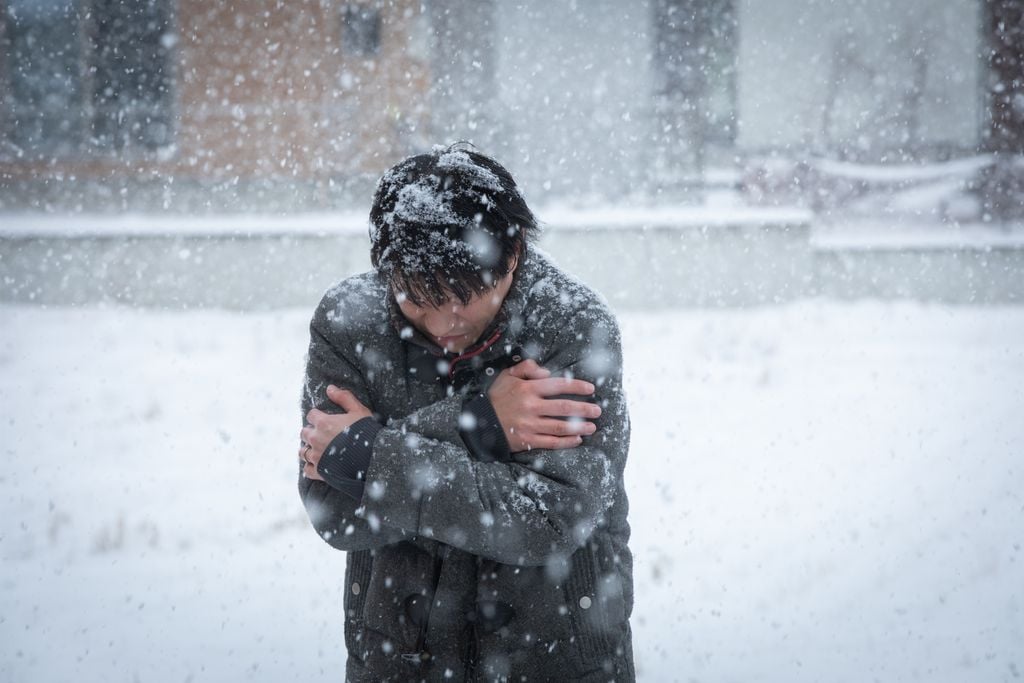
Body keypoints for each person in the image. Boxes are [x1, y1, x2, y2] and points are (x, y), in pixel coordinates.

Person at [297, 144, 634, 681]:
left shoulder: (570, 327)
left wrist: (371, 453)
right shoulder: (349, 323)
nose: (442, 322)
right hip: (399, 657)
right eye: (415, 298)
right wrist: (477, 423)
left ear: (514, 255)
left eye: (466, 295)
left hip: (555, 654)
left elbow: (550, 519)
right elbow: (332, 509)